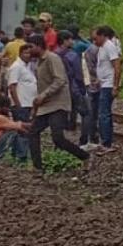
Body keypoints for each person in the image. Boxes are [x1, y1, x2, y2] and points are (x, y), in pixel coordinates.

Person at [25, 34, 90, 169]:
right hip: (45, 105)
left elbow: (60, 80)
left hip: (58, 104)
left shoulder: (52, 58)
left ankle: (84, 156)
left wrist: (44, 95)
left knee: (58, 138)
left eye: (31, 47)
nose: (29, 50)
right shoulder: (39, 62)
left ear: (38, 45)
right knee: (32, 132)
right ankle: (37, 167)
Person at [92, 25, 122, 153]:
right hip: (104, 83)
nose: (95, 41)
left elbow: (117, 66)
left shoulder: (109, 46)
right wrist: (99, 79)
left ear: (103, 35)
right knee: (104, 113)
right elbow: (105, 67)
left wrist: (115, 85)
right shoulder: (102, 48)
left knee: (104, 114)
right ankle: (106, 140)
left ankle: (106, 143)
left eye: (96, 38)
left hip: (108, 85)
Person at [55, 31, 85, 132]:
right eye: (70, 39)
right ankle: (71, 126)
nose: (72, 41)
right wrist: (82, 88)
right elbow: (78, 74)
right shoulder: (73, 55)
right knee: (73, 107)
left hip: (57, 86)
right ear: (64, 41)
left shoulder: (54, 54)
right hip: (71, 85)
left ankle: (60, 126)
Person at [81, 29, 101, 148]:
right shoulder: (94, 50)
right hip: (93, 84)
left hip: (92, 84)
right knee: (92, 112)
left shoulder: (91, 50)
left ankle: (91, 136)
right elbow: (91, 68)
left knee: (92, 112)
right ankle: (92, 136)